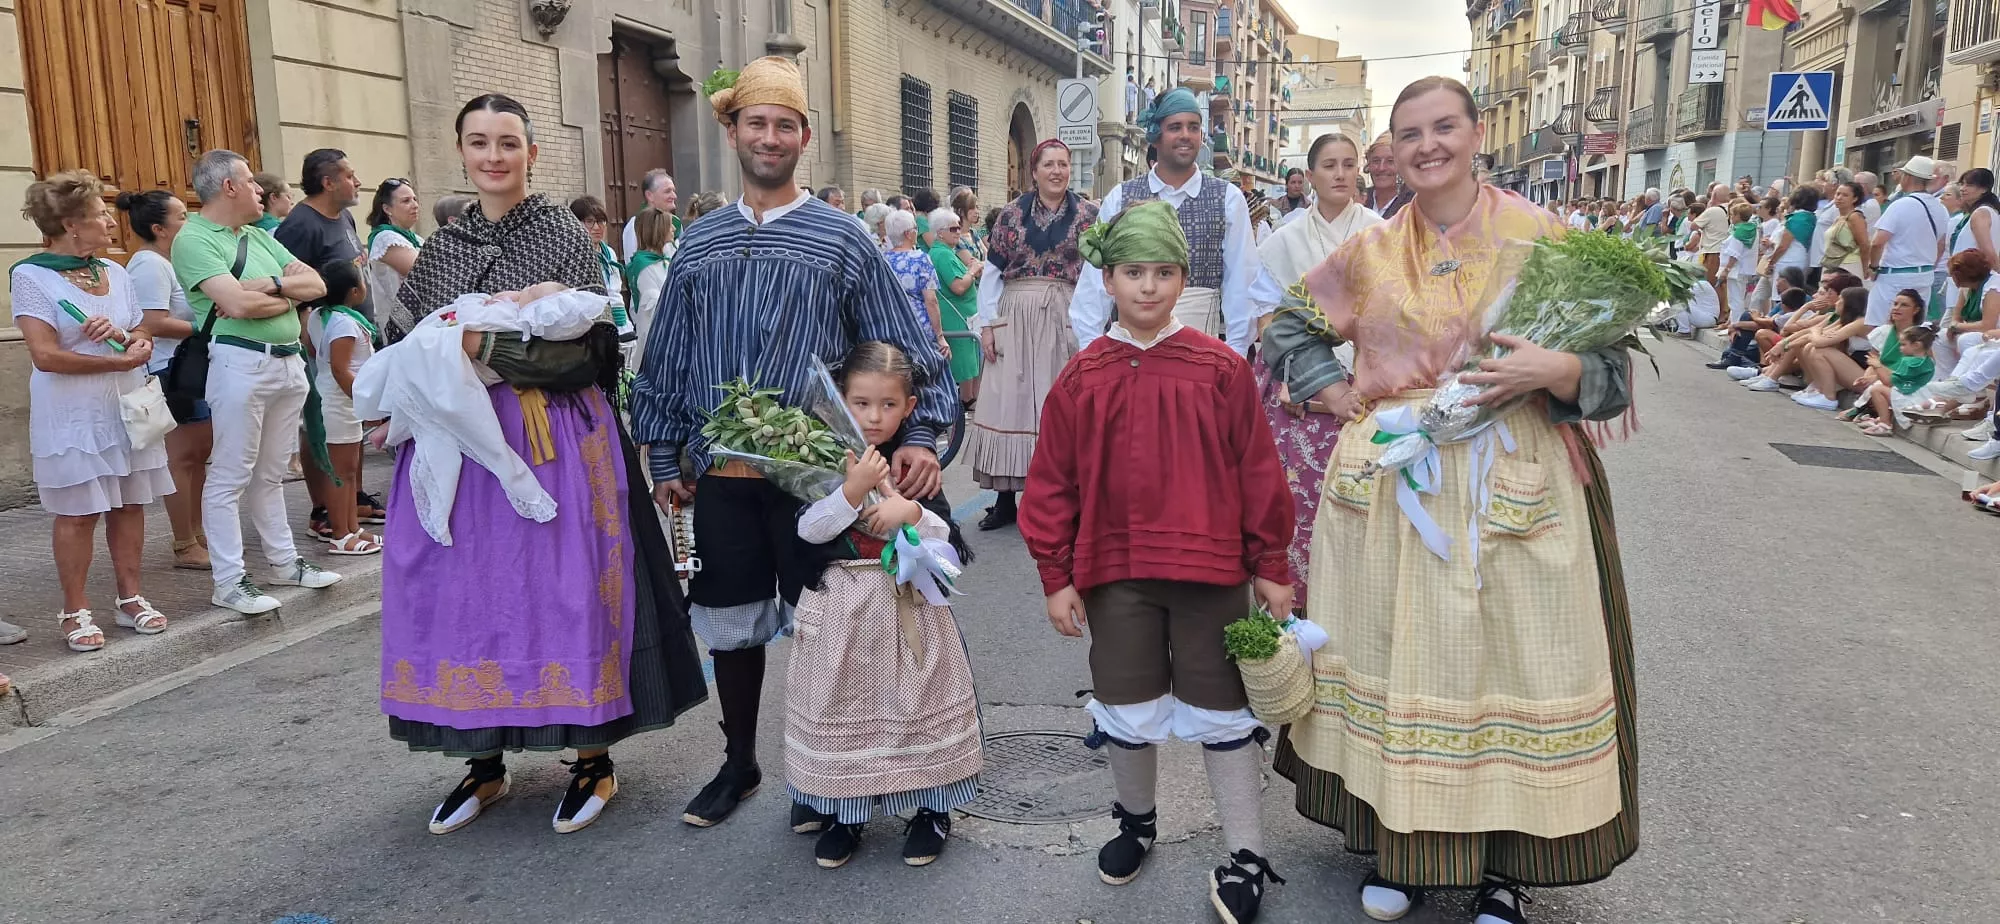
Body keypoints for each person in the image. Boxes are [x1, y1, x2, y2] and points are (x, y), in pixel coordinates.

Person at [1271, 77, 1641, 924]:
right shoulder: (1368, 250)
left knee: (1505, 664)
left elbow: (1613, 369)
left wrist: (1559, 370)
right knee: (1398, 658)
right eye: (1409, 134)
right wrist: (1339, 396)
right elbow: (1288, 328)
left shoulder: (1543, 236)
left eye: (1444, 127)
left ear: (1478, 134)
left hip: (1518, 476)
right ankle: (1401, 851)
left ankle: (1498, 872)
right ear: (1390, 153)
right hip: (1396, 482)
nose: (1427, 145)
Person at [629, 56, 954, 830]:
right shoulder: (699, 244)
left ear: (803, 137)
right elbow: (669, 354)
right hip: (726, 478)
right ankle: (738, 765)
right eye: (755, 122)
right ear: (732, 130)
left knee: (834, 627)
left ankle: (828, 778)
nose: (768, 137)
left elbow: (902, 346)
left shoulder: (844, 239)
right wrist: (668, 456)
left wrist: (923, 433)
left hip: (822, 481)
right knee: (733, 627)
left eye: (783, 124)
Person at [378, 92, 707, 836]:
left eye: (507, 143)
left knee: (562, 590)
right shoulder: (446, 246)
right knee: (464, 592)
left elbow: (590, 353)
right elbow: (394, 342)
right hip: (457, 449)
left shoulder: (562, 232)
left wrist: (486, 348)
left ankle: (592, 758)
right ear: (459, 150)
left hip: (553, 440)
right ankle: (482, 759)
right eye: (478, 142)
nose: (493, 156)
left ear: (531, 152)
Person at [1019, 200, 1294, 924]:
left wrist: (1271, 563)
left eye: (1164, 272)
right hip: (1117, 576)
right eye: (1133, 272)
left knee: (1223, 713)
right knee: (1128, 708)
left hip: (1211, 576)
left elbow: (1258, 471)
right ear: (1107, 279)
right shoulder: (1082, 378)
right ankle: (1137, 821)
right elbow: (1052, 484)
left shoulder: (1222, 368)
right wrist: (1056, 576)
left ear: (1185, 280)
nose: (1148, 287)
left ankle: (1245, 851)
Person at [784, 340, 983, 869]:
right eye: (862, 403)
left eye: (889, 405)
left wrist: (911, 513)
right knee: (843, 706)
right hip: (842, 611)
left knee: (916, 706)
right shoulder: (821, 460)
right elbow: (807, 529)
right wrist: (850, 493)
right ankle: (846, 812)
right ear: (839, 402)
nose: (875, 417)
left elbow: (947, 545)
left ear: (909, 408)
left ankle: (932, 809)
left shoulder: (914, 469)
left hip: (908, 609)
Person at [172, 149, 340, 615]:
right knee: (230, 474)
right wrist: (281, 292)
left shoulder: (256, 236)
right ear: (228, 186)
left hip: (287, 363)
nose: (259, 189)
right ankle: (228, 581)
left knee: (269, 474)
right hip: (240, 364)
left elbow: (318, 286)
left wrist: (266, 288)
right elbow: (236, 307)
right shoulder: (194, 239)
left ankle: (285, 562)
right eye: (249, 181)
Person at [13, 170, 176, 651]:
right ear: (70, 224)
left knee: (129, 503)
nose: (110, 222)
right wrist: (115, 355)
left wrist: (134, 343)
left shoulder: (117, 272)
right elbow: (43, 355)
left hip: (123, 405)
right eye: (99, 215)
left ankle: (130, 598)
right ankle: (75, 609)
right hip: (73, 412)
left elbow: (142, 333)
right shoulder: (30, 275)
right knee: (78, 512)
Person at [1255, 131, 1383, 610]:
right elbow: (1268, 317)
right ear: (1309, 176)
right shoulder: (1285, 238)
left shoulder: (1379, 232)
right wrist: (1292, 375)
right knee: (1300, 499)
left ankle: (1358, 604)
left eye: (1349, 164)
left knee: (1363, 494)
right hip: (1298, 380)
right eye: (1329, 165)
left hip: (1368, 376)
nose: (1340, 174)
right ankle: (1300, 604)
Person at [1072, 88, 1277, 355]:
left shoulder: (1227, 198)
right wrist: (1091, 353)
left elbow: (1241, 284)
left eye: (1194, 127)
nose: (1185, 135)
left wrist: (1234, 354)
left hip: (1199, 355)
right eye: (1175, 127)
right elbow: (1094, 286)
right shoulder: (1120, 197)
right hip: (1129, 351)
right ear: (1157, 135)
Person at [961, 138, 1098, 531]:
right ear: (1034, 171)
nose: (1057, 171)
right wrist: (986, 325)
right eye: (1049, 164)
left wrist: (1092, 327)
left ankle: (1066, 502)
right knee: (1010, 403)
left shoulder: (1089, 214)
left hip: (1067, 313)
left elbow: (1098, 275)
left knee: (1062, 405)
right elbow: (991, 273)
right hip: (1016, 311)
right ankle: (1006, 501)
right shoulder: (1010, 215)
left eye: (1063, 164)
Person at [275, 148, 366, 542]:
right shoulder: (300, 225)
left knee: (348, 437)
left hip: (349, 334)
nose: (357, 181)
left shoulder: (344, 216)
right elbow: (289, 284)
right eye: (349, 175)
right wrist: (307, 333)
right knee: (322, 427)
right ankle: (324, 510)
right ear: (327, 182)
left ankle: (350, 502)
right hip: (322, 348)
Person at [119, 189, 211, 571]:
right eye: (180, 217)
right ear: (159, 228)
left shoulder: (173, 261)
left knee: (199, 454)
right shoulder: (149, 264)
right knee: (182, 457)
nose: (188, 223)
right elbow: (152, 322)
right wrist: (203, 326)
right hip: (169, 369)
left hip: (190, 365)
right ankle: (184, 542)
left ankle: (200, 532)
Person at [304, 260, 380, 555]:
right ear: (355, 292)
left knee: (347, 470)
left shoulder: (318, 316)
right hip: (339, 401)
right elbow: (339, 368)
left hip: (336, 399)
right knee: (339, 472)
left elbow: (312, 350)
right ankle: (340, 535)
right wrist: (366, 404)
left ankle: (352, 527)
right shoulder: (345, 323)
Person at [1868, 157, 1950, 327]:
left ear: (1908, 177)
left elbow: (1877, 242)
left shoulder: (1901, 205)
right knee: (1912, 326)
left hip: (1896, 274)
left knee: (1880, 327)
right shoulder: (1940, 207)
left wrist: (1873, 267)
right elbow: (1940, 245)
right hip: (1924, 274)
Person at [927, 206, 984, 405]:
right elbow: (958, 286)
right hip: (956, 318)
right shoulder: (942, 254)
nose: (958, 231)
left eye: (959, 227)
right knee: (963, 361)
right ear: (939, 233)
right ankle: (965, 401)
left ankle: (969, 399)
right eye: (953, 229)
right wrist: (973, 270)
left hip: (964, 316)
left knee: (969, 358)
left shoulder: (947, 252)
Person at [570, 195, 632, 345]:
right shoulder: (573, 254)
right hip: (592, 327)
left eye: (601, 221)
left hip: (619, 321)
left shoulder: (609, 252)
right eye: (590, 222)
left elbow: (615, 292)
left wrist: (624, 324)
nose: (597, 227)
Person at [365, 178, 424, 327]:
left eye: (415, 199)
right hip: (400, 325)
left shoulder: (415, 238)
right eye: (406, 201)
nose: (415, 205)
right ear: (387, 209)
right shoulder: (386, 238)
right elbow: (425, 274)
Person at [885, 210, 948, 346]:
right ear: (908, 234)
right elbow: (931, 300)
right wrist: (940, 336)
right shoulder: (920, 259)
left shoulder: (882, 259)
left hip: (890, 328)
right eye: (915, 228)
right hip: (918, 329)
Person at [1940, 169, 1998, 317]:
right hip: (1968, 282)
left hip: (1972, 282)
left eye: (1969, 185)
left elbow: (1988, 252)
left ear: (1984, 189)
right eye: (1962, 184)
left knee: (1951, 328)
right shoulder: (1980, 212)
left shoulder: (1981, 213)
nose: (1963, 189)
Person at [626, 207, 674, 356]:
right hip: (655, 337)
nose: (673, 229)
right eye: (669, 225)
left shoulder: (666, 258)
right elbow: (652, 305)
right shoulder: (644, 265)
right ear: (658, 230)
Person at [621, 169, 680, 258]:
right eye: (667, 191)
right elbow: (635, 264)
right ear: (649, 195)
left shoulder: (675, 223)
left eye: (673, 191)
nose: (674, 196)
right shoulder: (636, 225)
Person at [1822, 181, 1873, 279]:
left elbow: (1864, 244)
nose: (1839, 198)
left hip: (1849, 265)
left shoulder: (1855, 217)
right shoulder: (1838, 218)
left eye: (1845, 195)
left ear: (1855, 198)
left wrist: (1865, 268)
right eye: (1838, 194)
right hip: (1832, 264)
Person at [1360, 132, 1410, 218]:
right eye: (1376, 161)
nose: (1381, 168)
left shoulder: (1415, 203)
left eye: (1390, 161)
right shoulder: (1359, 199)